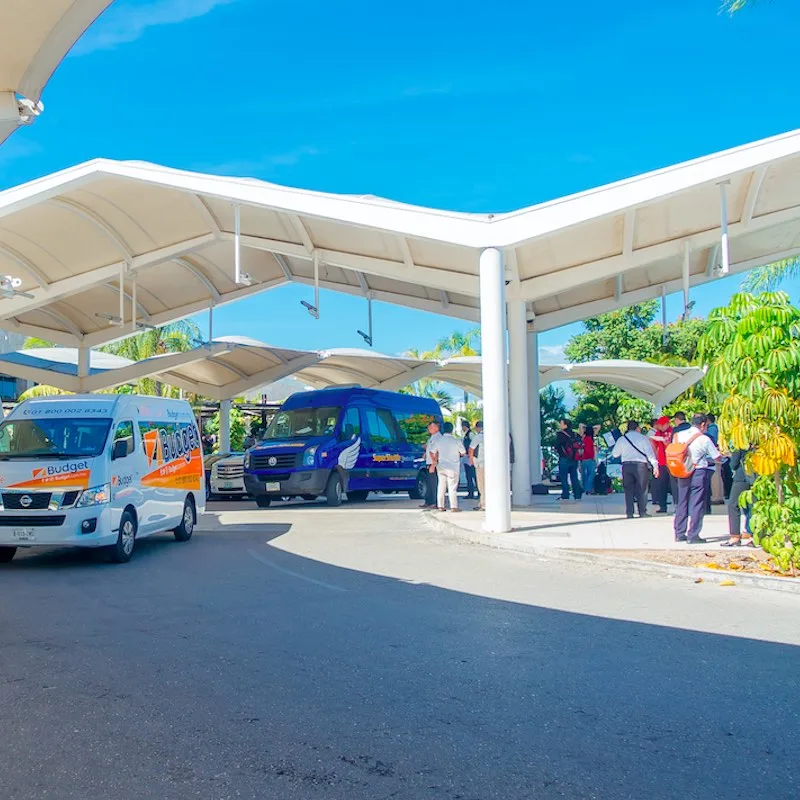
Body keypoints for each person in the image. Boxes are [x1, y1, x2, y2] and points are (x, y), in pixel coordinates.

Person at [672, 413, 722, 544]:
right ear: (703, 424)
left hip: (682, 470)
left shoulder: (678, 435)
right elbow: (716, 457)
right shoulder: (704, 439)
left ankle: (679, 533)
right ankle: (693, 535)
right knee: (696, 503)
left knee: (682, 501)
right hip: (698, 471)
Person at [611, 420, 659, 519]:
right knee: (642, 489)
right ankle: (642, 512)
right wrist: (655, 466)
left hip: (626, 466)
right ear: (637, 428)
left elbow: (615, 454)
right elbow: (650, 454)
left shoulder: (622, 439)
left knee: (628, 490)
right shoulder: (643, 438)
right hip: (641, 466)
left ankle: (629, 512)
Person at [429, 422, 465, 512]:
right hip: (453, 467)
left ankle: (440, 506)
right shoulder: (457, 441)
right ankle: (453, 507)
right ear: (452, 430)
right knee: (452, 487)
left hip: (441, 466)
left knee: (441, 486)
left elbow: (431, 451)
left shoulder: (438, 440)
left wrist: (434, 461)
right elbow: (463, 452)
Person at [722, 448, 754, 547]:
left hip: (742, 476)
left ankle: (735, 536)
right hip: (758, 475)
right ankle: (753, 536)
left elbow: (733, 464)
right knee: (754, 506)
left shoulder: (741, 444)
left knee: (733, 505)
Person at [647, 416, 672, 514]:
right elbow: (654, 443)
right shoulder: (658, 433)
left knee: (673, 485)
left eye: (661, 425)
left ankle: (678, 505)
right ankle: (662, 505)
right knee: (662, 485)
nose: (660, 427)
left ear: (667, 424)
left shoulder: (672, 432)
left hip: (671, 462)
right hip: (661, 462)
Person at [555, 419, 582, 501]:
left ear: (565, 425)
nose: (560, 425)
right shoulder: (575, 434)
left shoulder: (560, 434)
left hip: (564, 458)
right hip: (574, 459)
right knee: (574, 477)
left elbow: (557, 445)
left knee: (564, 477)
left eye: (561, 423)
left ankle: (565, 494)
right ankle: (577, 494)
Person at [420, 420, 442, 510]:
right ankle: (428, 501)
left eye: (431, 427)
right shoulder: (432, 437)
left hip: (434, 464)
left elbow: (437, 452)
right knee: (429, 484)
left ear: (437, 428)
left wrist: (434, 464)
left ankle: (435, 502)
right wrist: (425, 454)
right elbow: (429, 449)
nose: (429, 429)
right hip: (429, 462)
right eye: (429, 427)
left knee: (434, 484)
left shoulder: (439, 438)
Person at [706, 413, 725, 506]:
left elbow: (712, 442)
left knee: (715, 477)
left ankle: (716, 497)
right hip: (716, 454)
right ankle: (720, 496)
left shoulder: (711, 430)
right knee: (718, 476)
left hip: (713, 455)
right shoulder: (716, 428)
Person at [469, 420, 485, 511]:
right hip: (492, 464)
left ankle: (483, 504)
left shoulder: (478, 437)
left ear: (478, 428)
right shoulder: (493, 435)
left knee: (481, 485)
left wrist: (471, 461)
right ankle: (482, 502)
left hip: (480, 464)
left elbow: (471, 449)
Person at [577, 422, 596, 496]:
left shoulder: (583, 438)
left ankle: (585, 489)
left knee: (584, 475)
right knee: (591, 474)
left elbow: (580, 425)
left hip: (583, 459)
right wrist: (590, 427)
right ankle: (589, 489)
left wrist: (586, 427)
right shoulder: (591, 439)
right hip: (590, 458)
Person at [462, 421, 477, 500]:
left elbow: (474, 445)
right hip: (466, 458)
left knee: (473, 476)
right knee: (468, 476)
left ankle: (477, 492)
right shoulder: (466, 435)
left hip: (470, 458)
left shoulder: (470, 434)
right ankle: (470, 493)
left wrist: (471, 455)